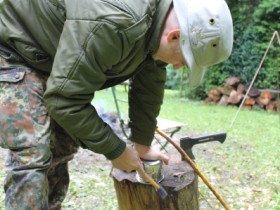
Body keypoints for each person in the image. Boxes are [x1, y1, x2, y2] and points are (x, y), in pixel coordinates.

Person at [0, 0, 233, 209]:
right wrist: (116, 150)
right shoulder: (118, 21)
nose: (178, 67)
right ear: (174, 36)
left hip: (53, 57)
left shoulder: (156, 24)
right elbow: (64, 100)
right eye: (184, 60)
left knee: (61, 147)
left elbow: (149, 81)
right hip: (13, 46)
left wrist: (141, 143)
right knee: (33, 155)